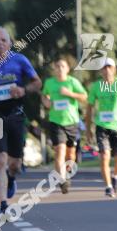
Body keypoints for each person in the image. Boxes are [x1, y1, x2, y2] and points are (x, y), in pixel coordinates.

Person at [0, 27, 42, 213]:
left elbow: (37, 82)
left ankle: (12, 177)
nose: (0, 43)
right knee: (0, 160)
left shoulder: (20, 60)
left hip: (16, 114)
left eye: (3, 40)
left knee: (14, 163)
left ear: (10, 43)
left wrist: (23, 90)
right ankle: (3, 203)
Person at [85, 58, 117, 198]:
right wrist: (88, 129)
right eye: (104, 68)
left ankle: (115, 176)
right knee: (104, 157)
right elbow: (89, 108)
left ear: (114, 69)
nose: (107, 70)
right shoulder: (95, 87)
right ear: (101, 71)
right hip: (102, 126)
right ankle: (108, 187)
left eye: (109, 67)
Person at [41, 59, 87, 194]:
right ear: (55, 69)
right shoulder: (50, 83)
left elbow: (84, 97)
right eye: (57, 66)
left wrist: (70, 94)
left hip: (72, 122)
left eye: (63, 66)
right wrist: (46, 102)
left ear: (67, 69)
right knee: (60, 151)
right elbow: (44, 96)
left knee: (71, 155)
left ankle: (66, 174)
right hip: (56, 121)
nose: (60, 68)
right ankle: (62, 180)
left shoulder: (72, 82)